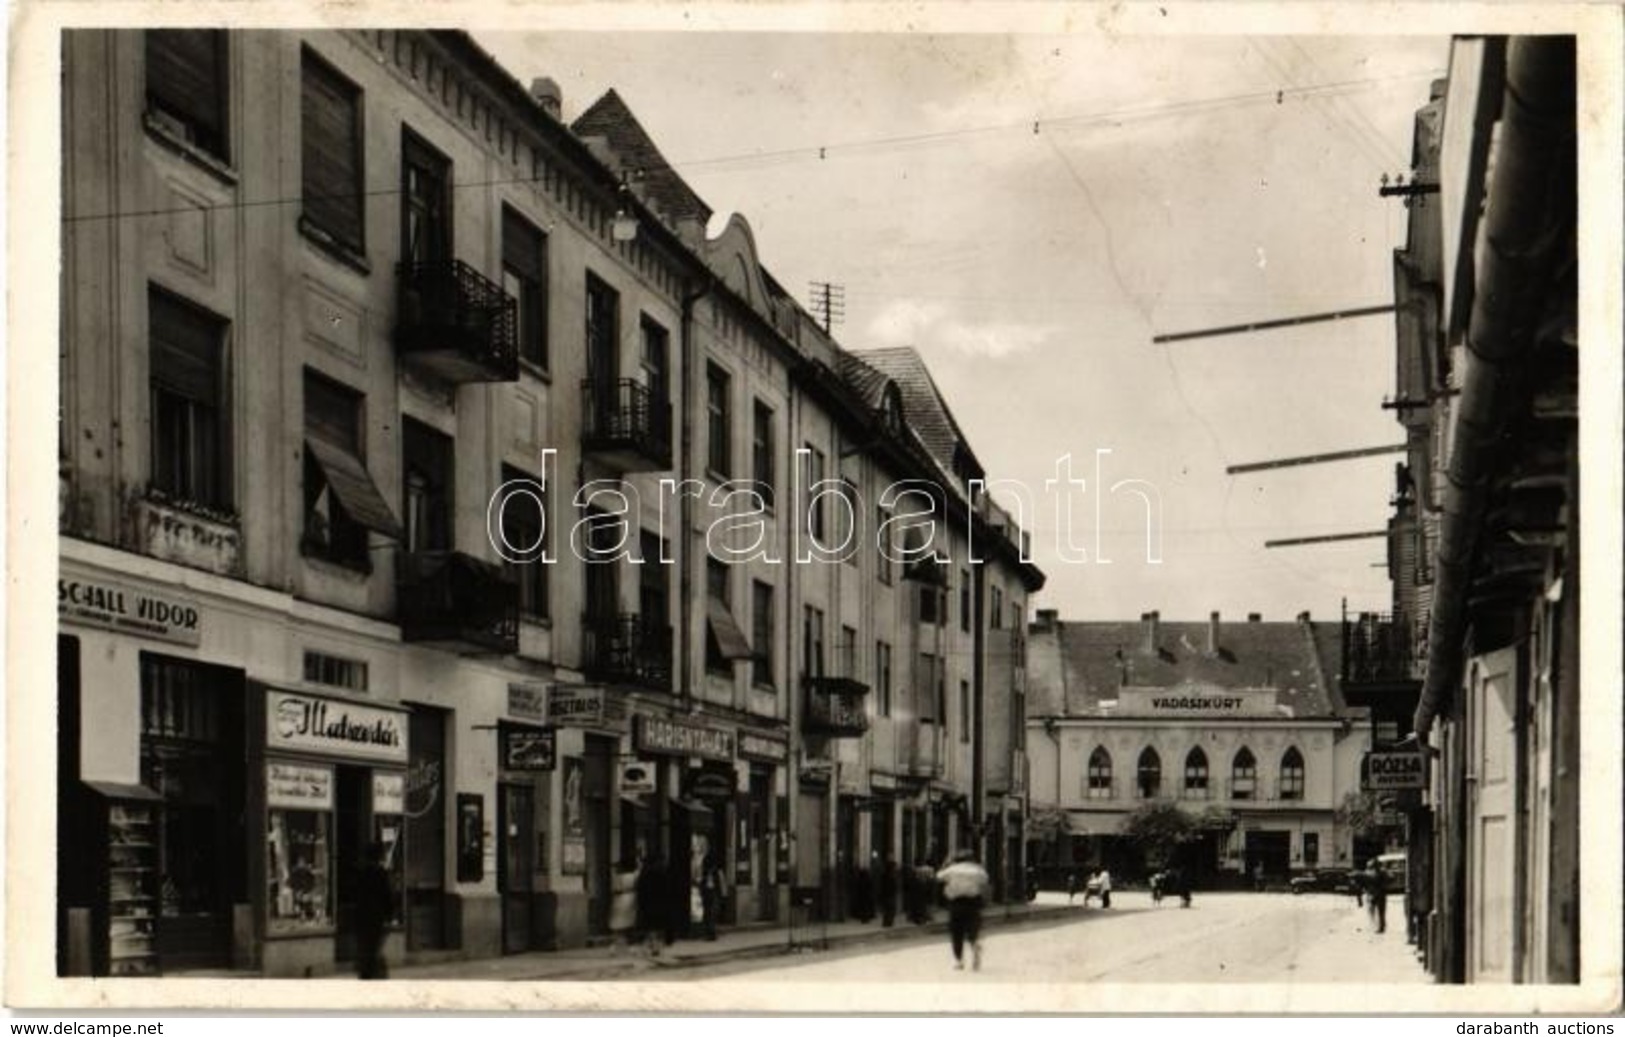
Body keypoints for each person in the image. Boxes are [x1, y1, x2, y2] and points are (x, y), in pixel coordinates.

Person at [936, 849, 991, 972]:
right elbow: (985, 880)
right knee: (972, 928)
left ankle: (959, 961)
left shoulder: (952, 869)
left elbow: (938, 877)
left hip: (956, 903)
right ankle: (974, 942)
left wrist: (946, 864)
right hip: (973, 903)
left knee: (956, 932)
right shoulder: (977, 869)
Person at [354, 841, 393, 980]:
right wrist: (390, 915)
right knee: (374, 946)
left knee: (365, 946)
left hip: (363, 916)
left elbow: (356, 895)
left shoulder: (361, 873)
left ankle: (366, 972)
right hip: (377, 916)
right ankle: (372, 971)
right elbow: (387, 895)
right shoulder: (381, 873)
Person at [635, 852, 670, 956]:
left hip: (648, 904)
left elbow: (640, 890)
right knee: (656, 927)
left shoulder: (645, 873)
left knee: (651, 927)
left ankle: (652, 946)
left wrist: (640, 904)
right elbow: (667, 890)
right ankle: (654, 947)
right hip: (659, 904)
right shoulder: (662, 873)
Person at [698, 851, 725, 941]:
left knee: (711, 914)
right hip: (709, 893)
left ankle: (711, 934)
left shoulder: (716, 872)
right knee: (708, 914)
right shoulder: (706, 873)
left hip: (713, 893)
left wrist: (723, 895)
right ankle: (709, 933)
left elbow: (721, 883)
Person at [879, 859, 899, 928]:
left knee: (887, 909)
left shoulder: (885, 875)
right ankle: (888, 922)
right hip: (889, 894)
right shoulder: (891, 876)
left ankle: (887, 922)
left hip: (887, 894)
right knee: (890, 909)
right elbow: (892, 885)